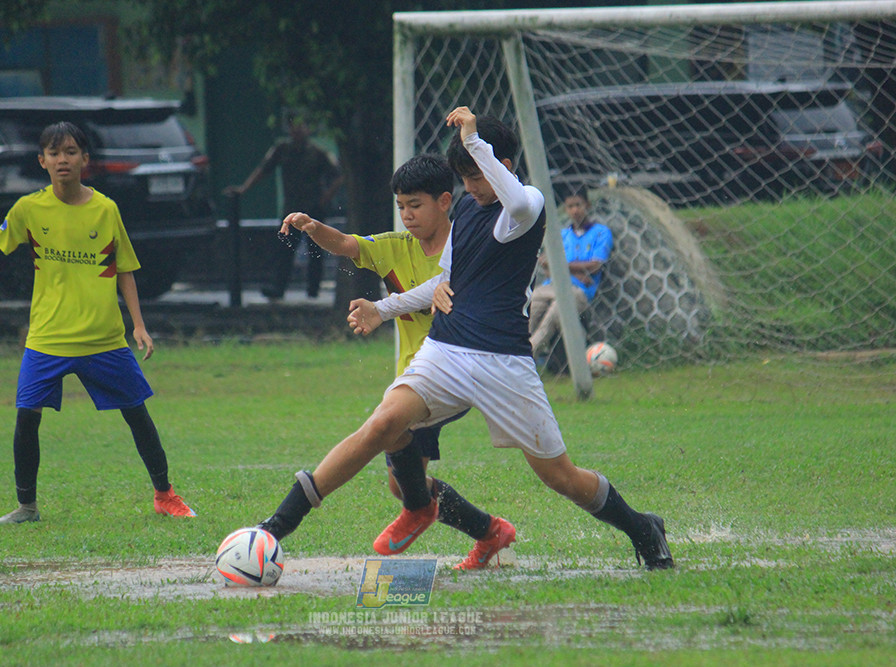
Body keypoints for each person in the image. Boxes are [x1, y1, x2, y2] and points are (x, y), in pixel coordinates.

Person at [258, 107, 673, 572]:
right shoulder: (468, 218)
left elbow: (514, 204)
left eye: (476, 176)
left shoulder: (529, 202)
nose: (471, 188)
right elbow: (443, 284)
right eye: (465, 178)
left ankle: (641, 527)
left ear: (504, 167)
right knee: (382, 426)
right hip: (446, 351)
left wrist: (475, 140)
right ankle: (278, 525)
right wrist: (382, 309)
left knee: (561, 477)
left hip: (505, 363)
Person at [0, 122, 196, 524]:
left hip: (103, 339)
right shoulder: (29, 209)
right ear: (42, 161)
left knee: (137, 414)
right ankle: (26, 507)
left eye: (71, 152)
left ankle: (165, 495)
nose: (63, 160)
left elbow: (124, 268)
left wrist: (138, 325)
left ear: (85, 160)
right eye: (54, 153)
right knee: (26, 416)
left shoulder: (106, 209)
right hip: (47, 338)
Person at [279, 154, 515, 570]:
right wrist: (315, 229)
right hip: (412, 375)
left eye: (415, 205)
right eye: (401, 206)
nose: (407, 215)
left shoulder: (470, 242)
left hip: (453, 372)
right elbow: (348, 244)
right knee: (401, 485)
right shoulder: (394, 247)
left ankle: (285, 519)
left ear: (444, 201)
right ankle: (489, 531)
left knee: (389, 440)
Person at [224, 110, 343, 300]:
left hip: (313, 209)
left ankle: (313, 291)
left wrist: (325, 198)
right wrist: (243, 189)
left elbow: (338, 176)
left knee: (315, 251)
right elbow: (263, 170)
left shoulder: (317, 153)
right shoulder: (282, 150)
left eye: (301, 126)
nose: (297, 130)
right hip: (292, 210)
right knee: (285, 249)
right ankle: (278, 289)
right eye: (293, 126)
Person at [529, 187, 613, 361]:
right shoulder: (563, 235)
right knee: (532, 304)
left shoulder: (601, 233)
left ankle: (529, 353)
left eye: (578, 205)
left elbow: (595, 266)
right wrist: (576, 270)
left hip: (578, 290)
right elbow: (544, 263)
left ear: (587, 205)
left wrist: (559, 266)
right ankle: (514, 350)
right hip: (551, 286)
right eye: (570, 206)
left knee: (557, 309)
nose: (574, 210)